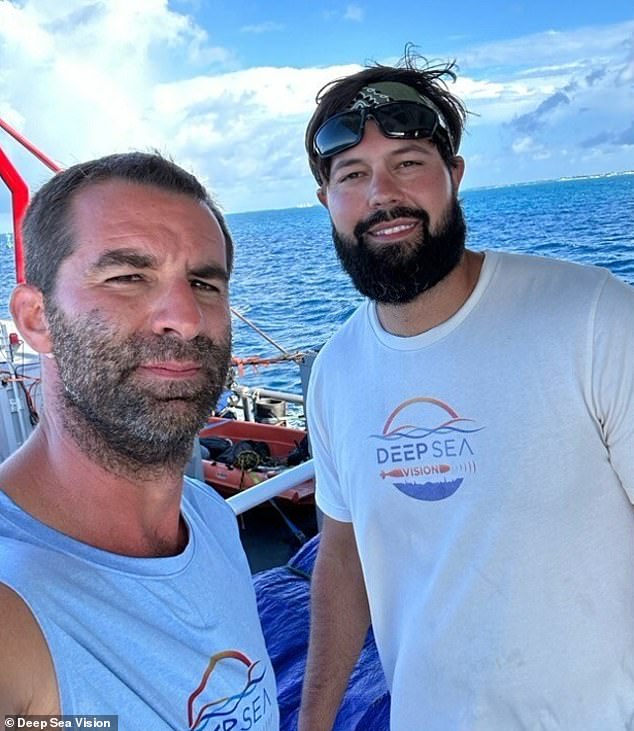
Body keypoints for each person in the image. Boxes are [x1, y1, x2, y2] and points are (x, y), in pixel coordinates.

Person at [298, 54, 634, 730]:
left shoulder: (593, 316)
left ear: (454, 176)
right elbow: (343, 557)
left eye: (409, 162)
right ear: (327, 201)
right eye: (352, 174)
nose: (381, 194)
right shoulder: (335, 371)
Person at [0, 154, 279, 730]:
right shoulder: (15, 606)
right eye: (128, 277)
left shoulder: (208, 519)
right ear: (36, 319)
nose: (185, 318)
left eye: (204, 283)